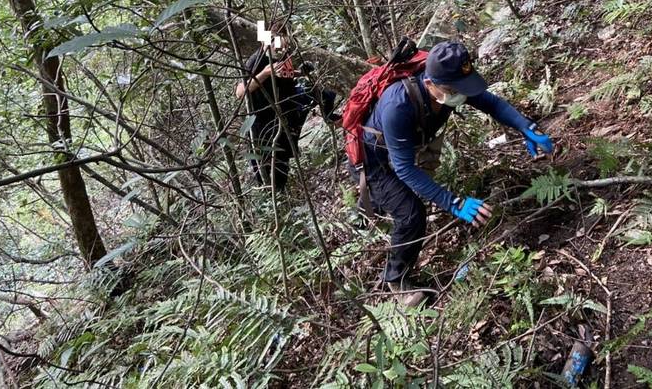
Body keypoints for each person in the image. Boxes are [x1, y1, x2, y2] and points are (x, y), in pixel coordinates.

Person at [352, 41, 554, 307]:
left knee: (396, 198)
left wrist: (526, 126)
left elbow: (491, 103)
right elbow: (404, 169)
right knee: (410, 214)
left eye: (463, 88)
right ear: (429, 84)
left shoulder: (452, 83)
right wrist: (454, 203)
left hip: (403, 148)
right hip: (373, 161)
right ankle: (396, 280)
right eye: (453, 90)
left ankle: (372, 205)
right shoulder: (397, 105)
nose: (461, 95)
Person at [235, 21, 337, 193]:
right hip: (263, 122)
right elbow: (239, 92)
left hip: (286, 111)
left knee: (325, 93)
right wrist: (265, 73)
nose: (283, 46)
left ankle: (330, 117)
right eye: (279, 41)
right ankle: (275, 197)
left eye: (286, 41)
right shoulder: (256, 60)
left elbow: (285, 75)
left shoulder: (283, 56)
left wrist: (301, 72)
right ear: (268, 40)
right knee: (272, 169)